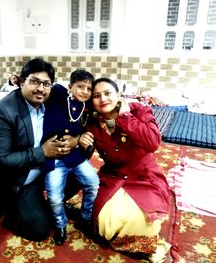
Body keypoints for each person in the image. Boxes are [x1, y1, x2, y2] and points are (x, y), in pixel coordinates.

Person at [0, 58, 81, 241]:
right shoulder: (2, 111)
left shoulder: (50, 100)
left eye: (46, 84)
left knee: (81, 168)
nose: (40, 88)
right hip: (14, 181)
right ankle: (11, 210)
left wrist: (76, 140)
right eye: (34, 81)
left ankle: (43, 203)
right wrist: (42, 152)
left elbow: (78, 109)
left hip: (41, 170)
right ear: (21, 81)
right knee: (40, 231)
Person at [79, 78, 171, 262]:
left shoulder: (138, 111)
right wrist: (81, 142)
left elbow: (153, 143)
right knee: (104, 224)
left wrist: (125, 117)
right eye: (96, 96)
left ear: (119, 96)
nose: (103, 99)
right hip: (114, 177)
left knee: (144, 223)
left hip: (144, 175)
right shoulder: (91, 119)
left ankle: (145, 241)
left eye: (107, 93)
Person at [42, 70, 100, 245]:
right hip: (54, 159)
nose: (84, 91)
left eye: (88, 88)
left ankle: (85, 217)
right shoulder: (59, 94)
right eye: (80, 86)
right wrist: (17, 81)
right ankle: (60, 225)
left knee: (93, 183)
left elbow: (88, 129)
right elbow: (43, 87)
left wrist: (78, 139)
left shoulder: (87, 108)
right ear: (70, 87)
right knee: (54, 197)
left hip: (75, 157)